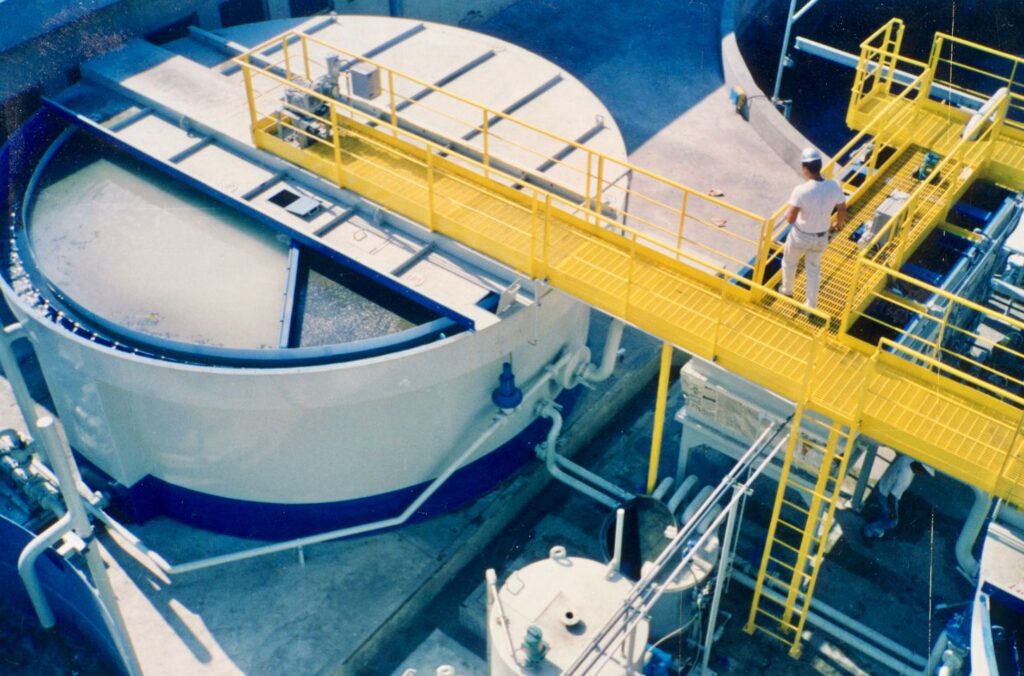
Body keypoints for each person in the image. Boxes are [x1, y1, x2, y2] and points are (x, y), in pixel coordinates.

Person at [779, 148, 847, 310]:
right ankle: (811, 305)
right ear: (820, 165)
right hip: (821, 237)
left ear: (805, 168)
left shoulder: (801, 190)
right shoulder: (834, 186)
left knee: (789, 262)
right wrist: (839, 224)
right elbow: (842, 207)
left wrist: (788, 213)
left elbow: (791, 220)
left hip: (800, 236)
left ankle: (787, 291)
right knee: (813, 270)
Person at [863, 452, 935, 538]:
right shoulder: (905, 478)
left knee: (886, 513)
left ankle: (878, 526)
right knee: (892, 522)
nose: (923, 474)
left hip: (883, 483)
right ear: (920, 468)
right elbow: (892, 496)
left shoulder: (908, 457)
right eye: (924, 472)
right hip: (885, 494)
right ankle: (868, 531)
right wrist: (893, 513)